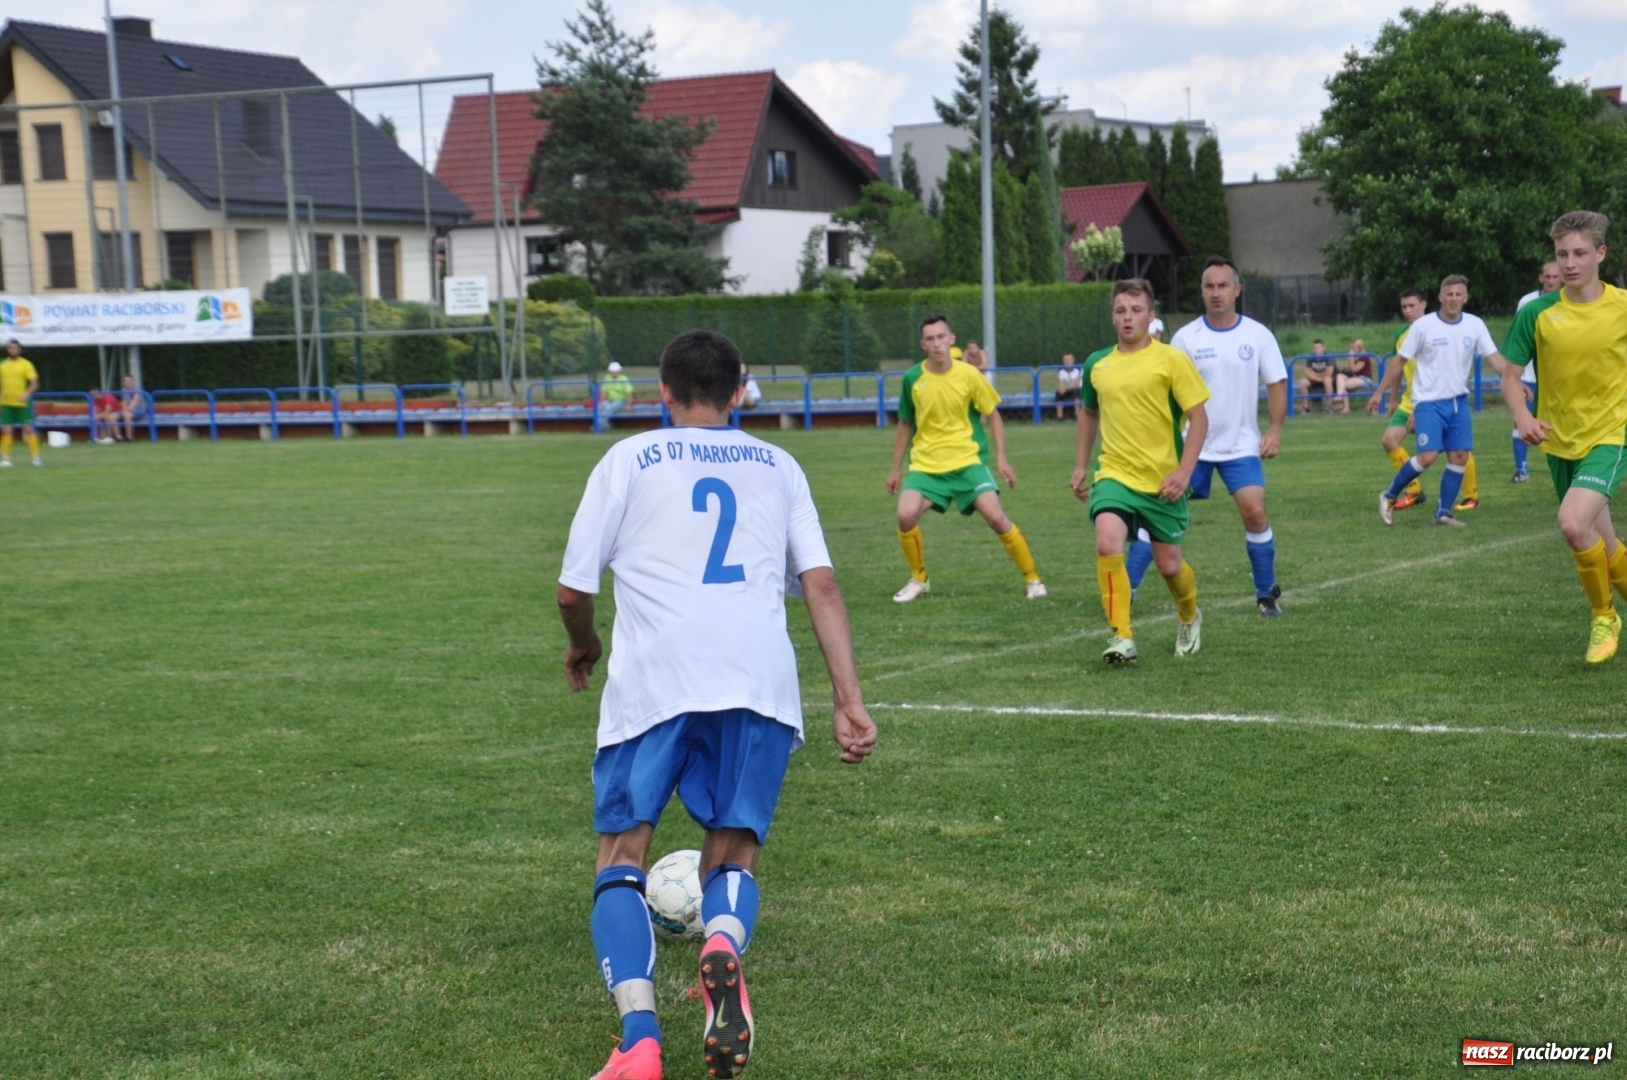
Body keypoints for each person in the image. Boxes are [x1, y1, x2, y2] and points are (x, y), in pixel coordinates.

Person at [557, 329, 877, 1080]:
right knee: (733, 852)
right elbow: (820, 585)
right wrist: (848, 699)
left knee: (620, 857)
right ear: (740, 390)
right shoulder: (779, 464)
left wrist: (584, 643)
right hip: (757, 681)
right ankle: (722, 941)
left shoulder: (629, 458)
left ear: (661, 393)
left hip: (656, 682)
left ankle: (638, 1041)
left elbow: (574, 589)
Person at [1497, 211, 1627, 663]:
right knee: (1604, 545)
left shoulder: (1623, 308)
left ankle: (1603, 616)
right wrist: (1522, 415)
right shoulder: (1537, 312)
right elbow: (1510, 377)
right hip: (1558, 439)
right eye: (1561, 254)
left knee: (1573, 524)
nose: (1569, 264)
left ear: (1601, 254)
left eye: (1580, 253)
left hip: (1611, 436)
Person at [1071, 279, 1210, 662]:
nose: (1127, 317)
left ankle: (1189, 616)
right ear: (1113, 316)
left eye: (1136, 310)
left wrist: (1184, 472)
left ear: (1151, 316)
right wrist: (1081, 465)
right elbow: (1088, 413)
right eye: (1120, 310)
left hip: (1163, 480)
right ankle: (1122, 636)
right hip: (1114, 474)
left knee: (1169, 565)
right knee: (1107, 542)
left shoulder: (1171, 360)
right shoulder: (1096, 364)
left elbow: (1198, 419)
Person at [889, 314, 1045, 602]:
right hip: (926, 467)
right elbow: (904, 423)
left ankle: (1032, 578)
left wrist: (1001, 458)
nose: (937, 344)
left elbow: (993, 415)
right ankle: (919, 579)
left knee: (997, 518)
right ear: (923, 344)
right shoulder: (912, 378)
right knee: (904, 514)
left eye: (941, 337)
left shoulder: (969, 375)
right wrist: (895, 469)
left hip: (967, 463)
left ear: (952, 339)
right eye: (930, 339)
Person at [1169, 255, 1288, 616]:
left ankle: (1266, 596)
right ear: (1202, 291)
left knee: (1255, 512)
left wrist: (1275, 428)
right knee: (1161, 515)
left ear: (1237, 289)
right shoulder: (1186, 338)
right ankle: (1130, 588)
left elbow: (1277, 383)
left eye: (1223, 286)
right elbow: (1170, 392)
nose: (1216, 292)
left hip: (1240, 446)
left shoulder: (1257, 334)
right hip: (1193, 446)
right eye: (1209, 286)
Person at [1379, 274, 1508, 527]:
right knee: (1427, 456)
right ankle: (1389, 495)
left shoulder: (1474, 324)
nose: (1454, 298)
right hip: (1428, 402)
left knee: (1459, 455)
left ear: (1465, 297)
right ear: (1440, 297)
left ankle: (1443, 513)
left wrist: (1516, 382)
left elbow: (1495, 359)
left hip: (1458, 402)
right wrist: (1379, 392)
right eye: (1449, 294)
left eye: (1459, 294)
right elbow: (1399, 362)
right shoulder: (1423, 326)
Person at [1368, 290, 1430, 509]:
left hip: (1431, 400)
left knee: (1454, 448)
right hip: (1408, 401)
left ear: (1424, 304)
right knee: (1389, 440)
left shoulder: (1435, 330)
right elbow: (1398, 366)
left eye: (1411, 306)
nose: (1407, 311)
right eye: (1404, 307)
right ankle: (1414, 490)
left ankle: (1471, 495)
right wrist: (1391, 398)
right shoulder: (1401, 335)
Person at [1510, 262, 1560, 482]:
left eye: (1555, 277)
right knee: (1520, 419)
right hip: (1529, 376)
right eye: (1547, 276)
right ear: (1541, 277)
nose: (1551, 281)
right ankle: (1521, 470)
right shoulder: (1528, 303)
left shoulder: (1569, 302)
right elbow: (1520, 339)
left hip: (1555, 378)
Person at [0, 340, 42, 467]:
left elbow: (35, 383)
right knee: (6, 430)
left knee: (28, 429)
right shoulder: (2, 365)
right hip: (6, 402)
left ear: (19, 350)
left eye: (15, 348)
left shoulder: (26, 364)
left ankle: (36, 458)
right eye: (10, 348)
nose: (12, 350)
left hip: (22, 403)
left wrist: (27, 394)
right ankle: (6, 459)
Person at [1332, 337, 1374, 413]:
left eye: (1353, 347)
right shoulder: (1355, 356)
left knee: (1342, 384)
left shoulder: (1364, 356)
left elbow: (1355, 369)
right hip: (1357, 378)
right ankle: (1341, 397)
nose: (1351, 349)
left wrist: (1350, 357)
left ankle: (1344, 403)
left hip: (1365, 379)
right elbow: (1351, 370)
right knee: (1339, 377)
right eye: (1351, 347)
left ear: (1359, 347)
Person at [596, 362, 634, 433]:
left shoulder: (623, 379)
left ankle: (599, 427)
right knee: (600, 407)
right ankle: (604, 425)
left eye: (616, 371)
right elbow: (604, 391)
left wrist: (629, 405)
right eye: (613, 372)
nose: (614, 373)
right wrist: (601, 402)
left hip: (621, 401)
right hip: (610, 400)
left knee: (609, 408)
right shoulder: (607, 378)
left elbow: (629, 393)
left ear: (619, 371)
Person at [1296, 340, 1334, 410]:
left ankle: (1329, 406)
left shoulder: (1328, 356)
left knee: (1327, 380)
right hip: (1314, 380)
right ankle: (1306, 407)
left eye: (1319, 347)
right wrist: (1319, 378)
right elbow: (1307, 373)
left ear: (1323, 348)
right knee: (1302, 382)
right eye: (1315, 348)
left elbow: (1329, 373)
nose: (1317, 350)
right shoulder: (1311, 357)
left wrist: (1314, 374)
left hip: (1326, 380)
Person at [119, 374, 148, 442]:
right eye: (126, 381)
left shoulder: (138, 389)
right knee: (111, 416)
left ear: (133, 381)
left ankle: (129, 437)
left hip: (140, 410)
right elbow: (124, 402)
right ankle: (118, 438)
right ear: (124, 382)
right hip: (128, 410)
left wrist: (127, 411)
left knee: (127, 415)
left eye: (129, 381)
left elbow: (135, 401)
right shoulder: (124, 390)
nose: (128, 382)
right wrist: (125, 410)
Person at [1054, 353, 1083, 420]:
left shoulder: (1079, 369)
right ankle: (1060, 416)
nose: (1067, 362)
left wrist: (1065, 388)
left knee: (1077, 391)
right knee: (1058, 393)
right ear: (1063, 361)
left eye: (1069, 360)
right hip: (1067, 391)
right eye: (1065, 360)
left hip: (1076, 390)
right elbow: (1061, 384)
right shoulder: (1061, 371)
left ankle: (1077, 415)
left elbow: (1076, 385)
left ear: (1073, 361)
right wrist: (1061, 389)